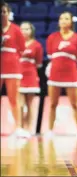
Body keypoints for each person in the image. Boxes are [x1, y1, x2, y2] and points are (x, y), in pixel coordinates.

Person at [45, 11, 77, 137]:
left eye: (66, 18)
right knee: (52, 103)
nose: (63, 21)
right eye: (61, 18)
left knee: (74, 103)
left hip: (71, 72)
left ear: (71, 22)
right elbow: (50, 54)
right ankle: (50, 130)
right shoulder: (52, 37)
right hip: (55, 72)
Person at [1, 2, 31, 138]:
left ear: (8, 13)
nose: (2, 14)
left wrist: (11, 58)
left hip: (12, 67)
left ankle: (18, 127)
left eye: (4, 12)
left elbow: (22, 48)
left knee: (13, 98)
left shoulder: (15, 29)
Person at [19, 22, 43, 133]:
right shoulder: (16, 44)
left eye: (27, 29)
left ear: (31, 30)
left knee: (29, 104)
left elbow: (38, 63)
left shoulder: (37, 45)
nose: (24, 31)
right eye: (22, 29)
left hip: (31, 76)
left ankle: (28, 129)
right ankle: (20, 128)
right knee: (19, 104)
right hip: (18, 75)